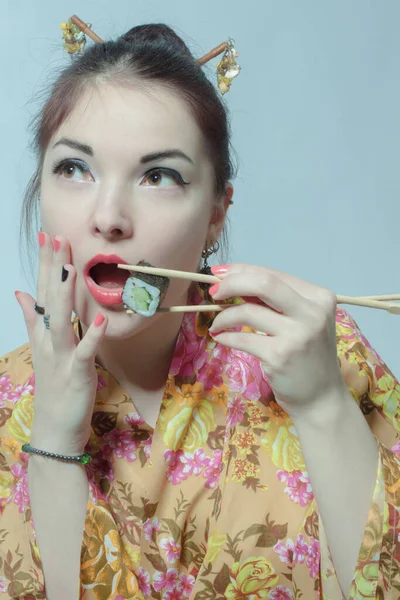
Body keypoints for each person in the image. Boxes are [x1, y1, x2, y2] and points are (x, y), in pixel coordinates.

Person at [0, 21, 399, 600]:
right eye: (75, 169)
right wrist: (56, 440)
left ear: (216, 213)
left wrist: (322, 407)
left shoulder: (315, 350)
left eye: (158, 175)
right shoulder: (10, 400)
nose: (109, 216)